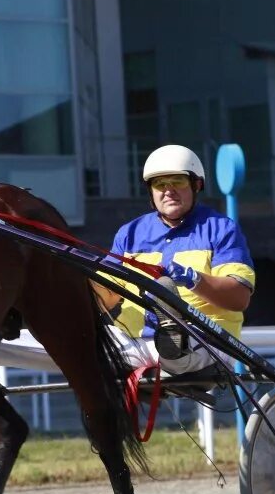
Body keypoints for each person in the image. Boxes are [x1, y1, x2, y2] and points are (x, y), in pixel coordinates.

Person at [102, 144, 256, 376]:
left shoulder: (221, 229)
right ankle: (170, 335)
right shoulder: (129, 233)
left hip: (206, 340)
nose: (168, 190)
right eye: (160, 184)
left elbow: (239, 298)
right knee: (69, 346)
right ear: (151, 191)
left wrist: (194, 279)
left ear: (197, 185)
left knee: (173, 353)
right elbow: (107, 295)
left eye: (178, 182)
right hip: (135, 343)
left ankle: (175, 334)